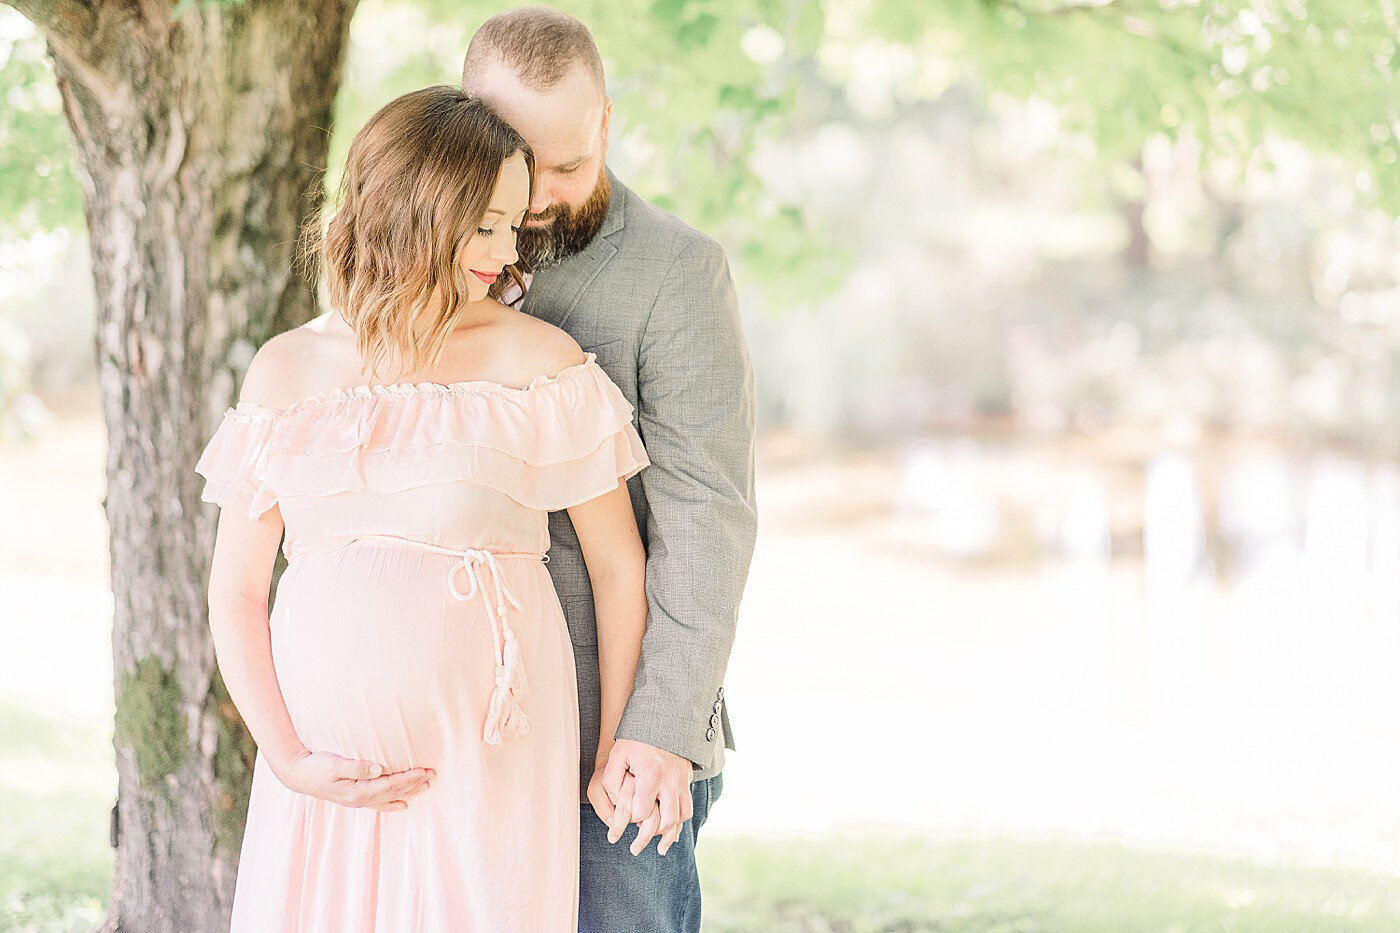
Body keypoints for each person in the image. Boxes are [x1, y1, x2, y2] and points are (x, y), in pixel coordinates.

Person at [197, 86, 651, 931]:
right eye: (482, 223)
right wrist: (289, 757)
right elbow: (236, 591)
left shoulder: (537, 364)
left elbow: (619, 566)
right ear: (408, 206)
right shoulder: (287, 370)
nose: (503, 249)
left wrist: (614, 741)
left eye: (512, 225)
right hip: (322, 780)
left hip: (490, 759)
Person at [462, 8, 758, 932]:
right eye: (521, 161)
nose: (542, 195)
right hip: (461, 724)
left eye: (571, 164)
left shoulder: (679, 273)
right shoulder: (420, 267)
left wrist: (659, 728)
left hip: (615, 727)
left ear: (606, 123)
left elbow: (709, 517)